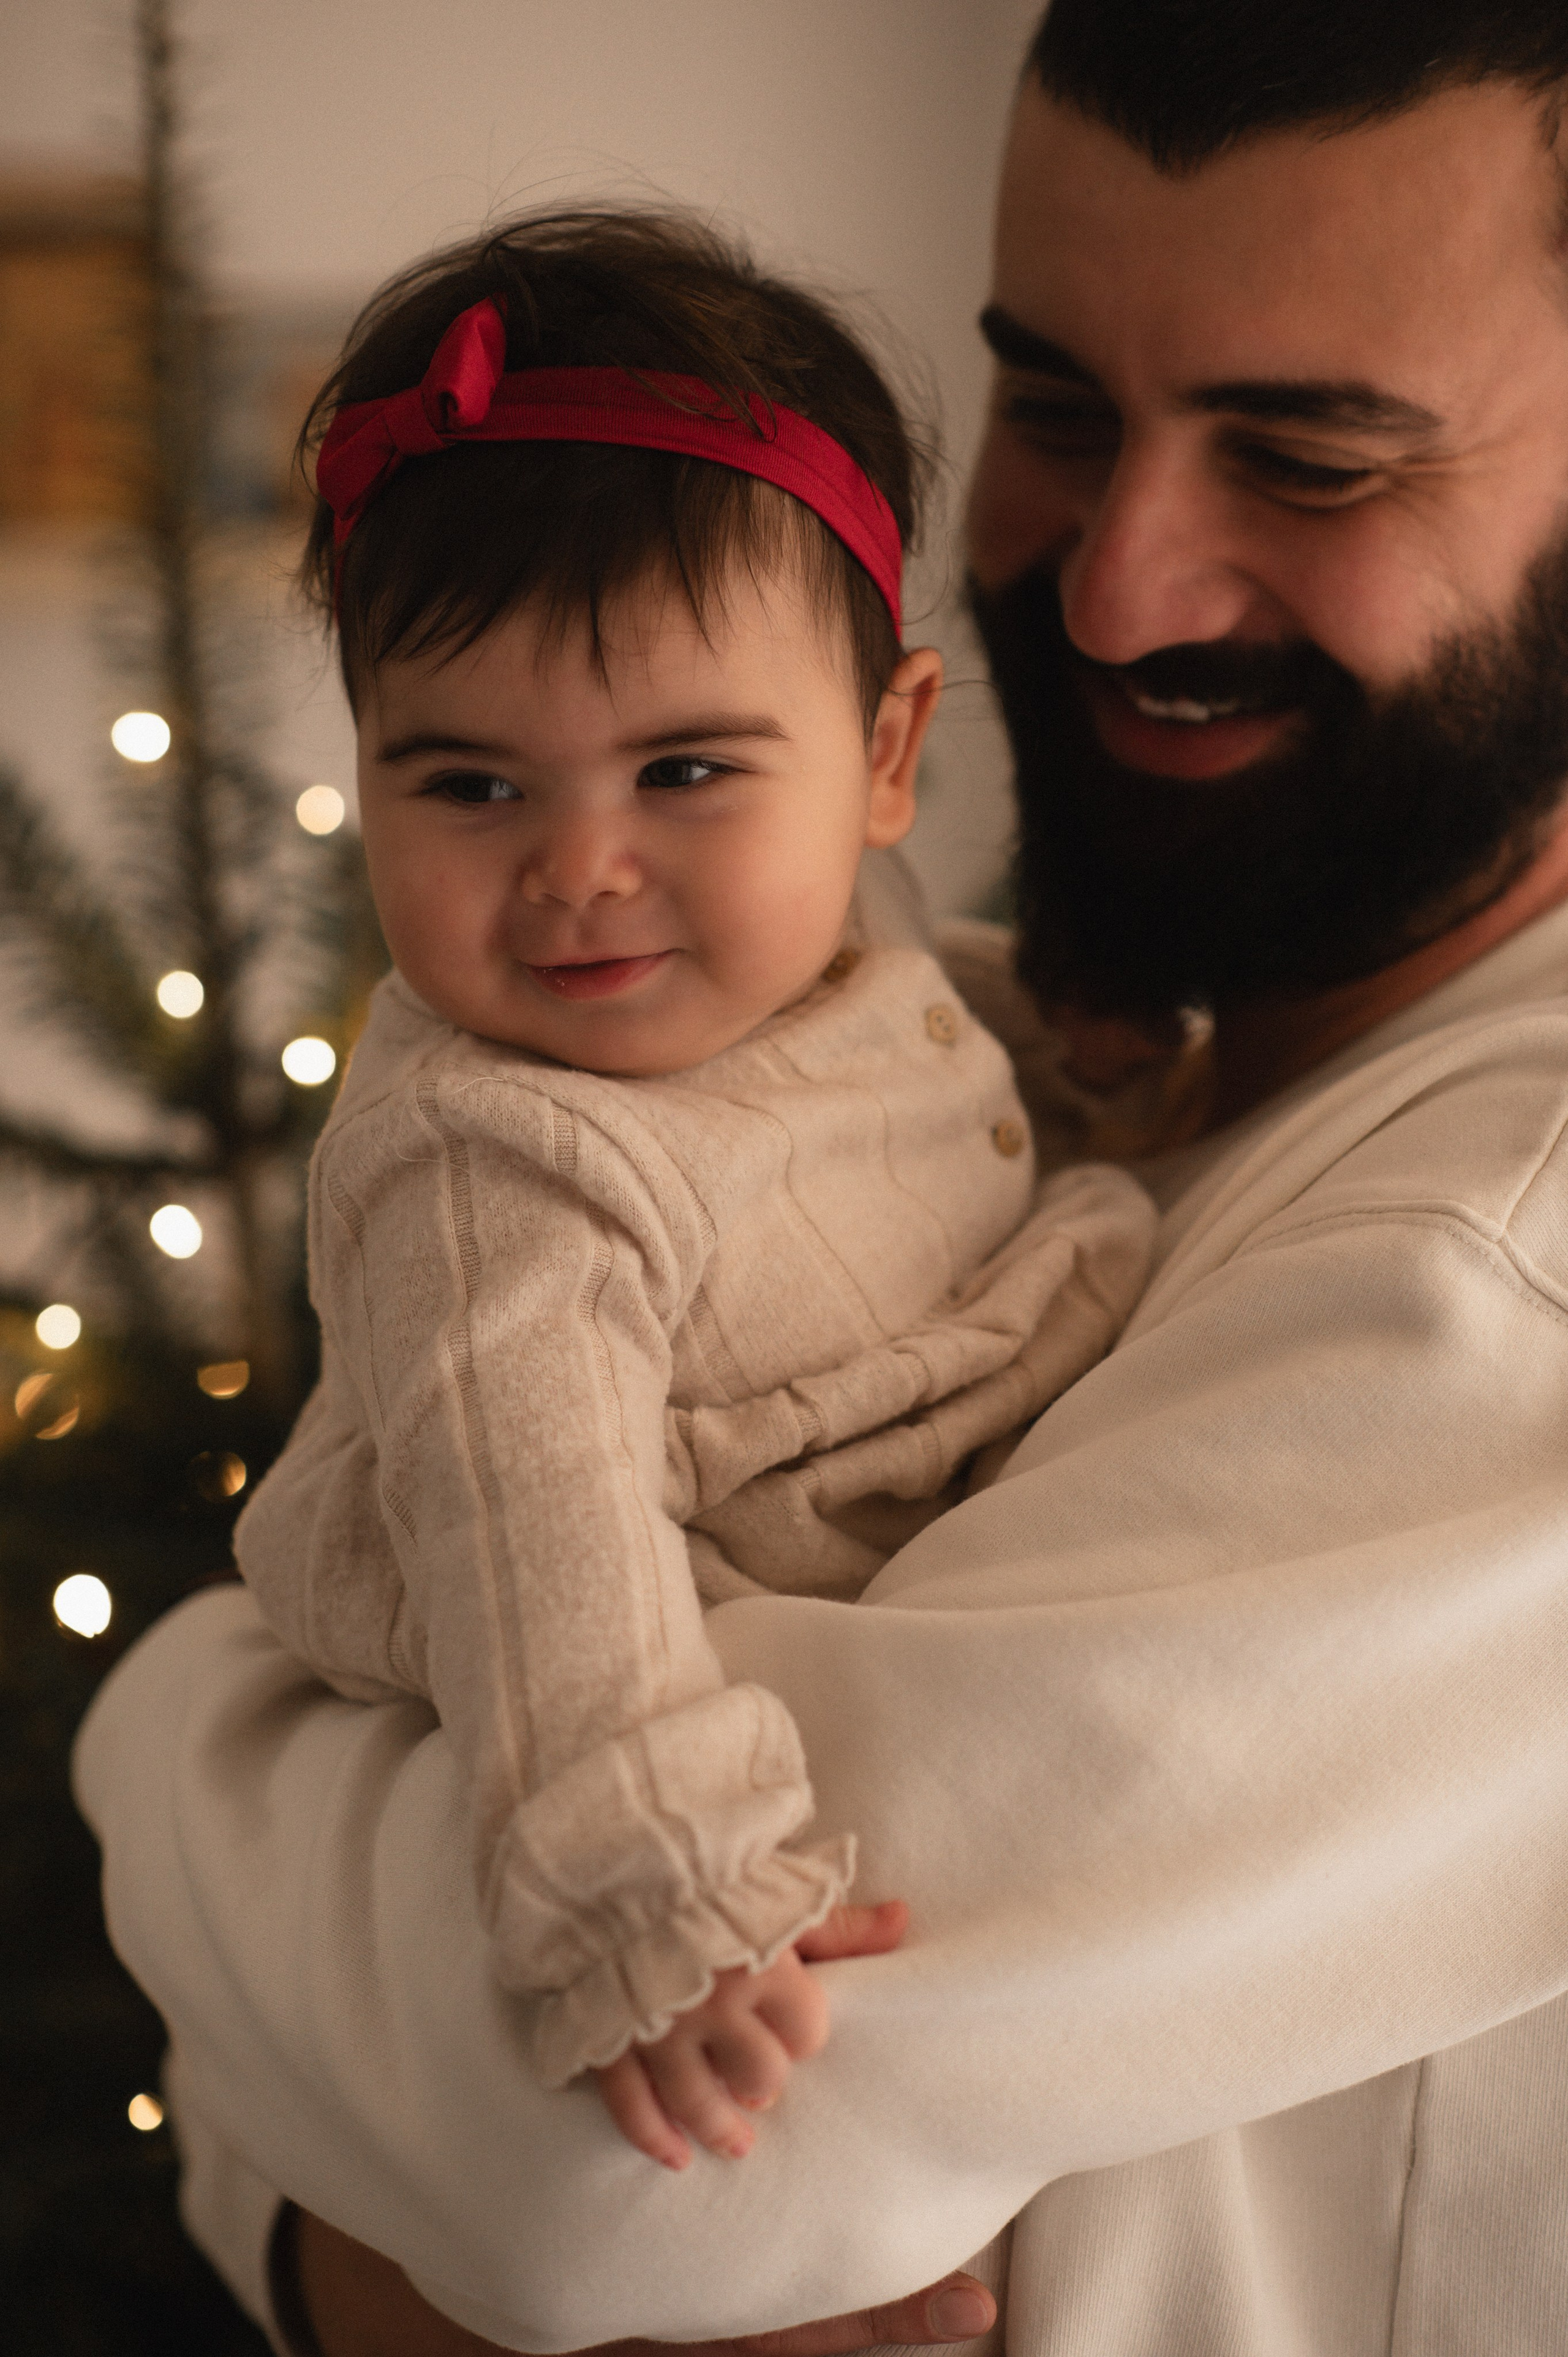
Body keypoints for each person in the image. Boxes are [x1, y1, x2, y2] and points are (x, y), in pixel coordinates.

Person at [75, 3, 1568, 2351]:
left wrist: (175, 1741)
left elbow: (634, 2177)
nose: (1117, 590)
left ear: (880, 749)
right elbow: (422, 2174)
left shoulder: (1512, 1244)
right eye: (1056, 412)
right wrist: (363, 2250)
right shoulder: (1086, 1049)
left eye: (1308, 457)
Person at [231, 213, 1152, 2171]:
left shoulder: (821, 924)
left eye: (685, 773)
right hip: (640, 1635)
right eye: (470, 785)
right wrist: (655, 1895)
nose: (581, 868)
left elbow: (895, 1014)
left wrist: (1079, 1050)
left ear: (883, 757)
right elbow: (536, 1542)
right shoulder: (495, 1166)